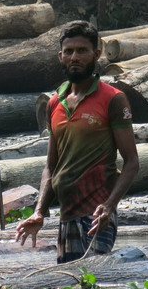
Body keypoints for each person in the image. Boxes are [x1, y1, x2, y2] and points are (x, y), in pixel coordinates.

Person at [15, 21, 140, 263]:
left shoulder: (113, 99)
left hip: (97, 215)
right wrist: (39, 212)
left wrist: (110, 205)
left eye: (82, 50)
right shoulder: (54, 103)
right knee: (69, 280)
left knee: (96, 277)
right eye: (69, 51)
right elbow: (51, 166)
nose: (75, 57)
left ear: (96, 54)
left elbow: (132, 162)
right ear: (60, 56)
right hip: (67, 216)